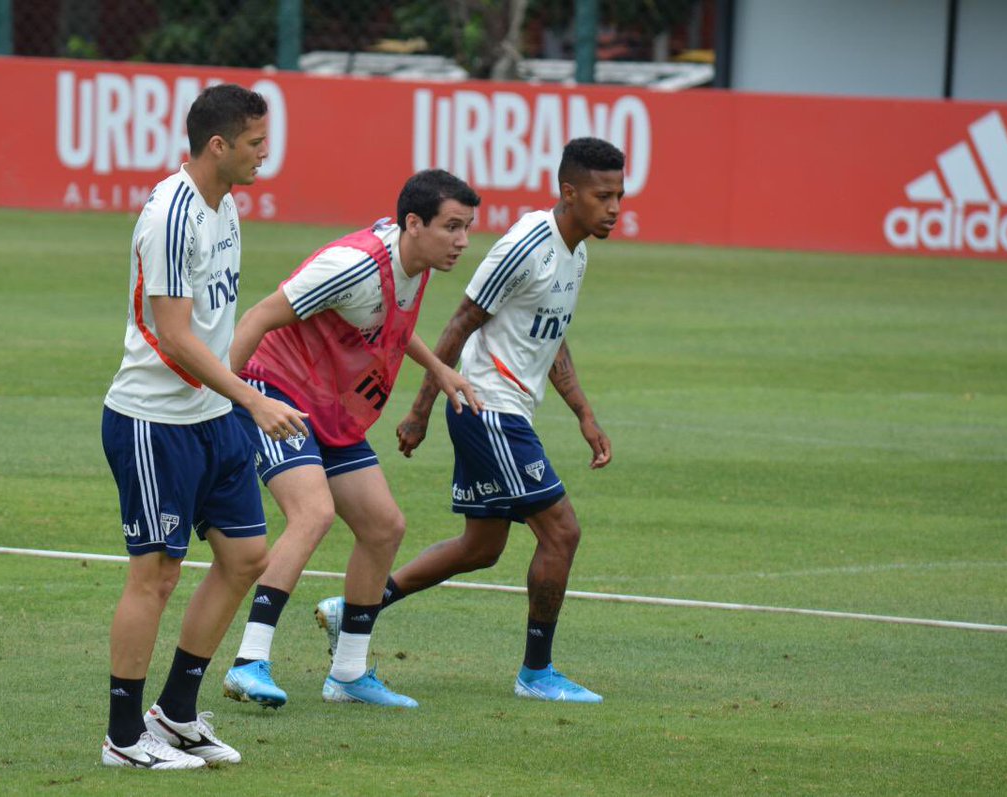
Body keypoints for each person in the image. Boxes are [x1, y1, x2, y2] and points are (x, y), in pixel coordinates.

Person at [317, 138, 625, 704]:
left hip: (505, 410)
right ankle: (536, 673)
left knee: (481, 547)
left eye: (619, 196)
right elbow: (460, 322)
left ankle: (355, 608)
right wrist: (419, 411)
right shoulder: (527, 244)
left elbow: (551, 336)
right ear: (569, 192)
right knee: (562, 532)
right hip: (488, 408)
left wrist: (584, 413)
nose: (614, 208)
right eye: (603, 196)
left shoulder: (575, 253)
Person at [99, 84, 309, 769]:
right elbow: (175, 334)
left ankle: (177, 713)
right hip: (154, 421)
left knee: (246, 556)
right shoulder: (171, 214)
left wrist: (234, 402)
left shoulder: (227, 205)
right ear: (217, 145)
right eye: (255, 143)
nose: (265, 155)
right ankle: (123, 737)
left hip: (214, 417)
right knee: (155, 575)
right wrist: (253, 400)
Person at [221, 170, 482, 709]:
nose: (463, 241)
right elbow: (257, 316)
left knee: (384, 526)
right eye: (453, 227)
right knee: (312, 514)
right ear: (414, 224)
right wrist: (230, 403)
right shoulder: (353, 266)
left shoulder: (416, 262)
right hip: (277, 393)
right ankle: (248, 662)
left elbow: (389, 325)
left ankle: (347, 674)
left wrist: (439, 369)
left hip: (333, 408)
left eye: (467, 228)